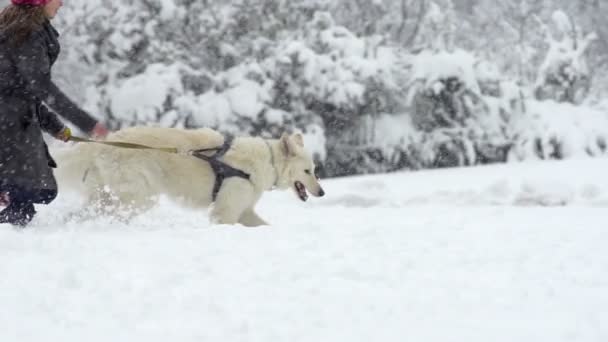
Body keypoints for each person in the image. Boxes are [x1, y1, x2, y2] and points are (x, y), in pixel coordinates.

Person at [0, 0, 109, 227]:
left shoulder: (21, 31)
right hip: (8, 126)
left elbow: (24, 92)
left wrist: (55, 127)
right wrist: (87, 123)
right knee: (31, 192)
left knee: (34, 192)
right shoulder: (26, 35)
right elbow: (41, 87)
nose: (61, 3)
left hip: (14, 122)